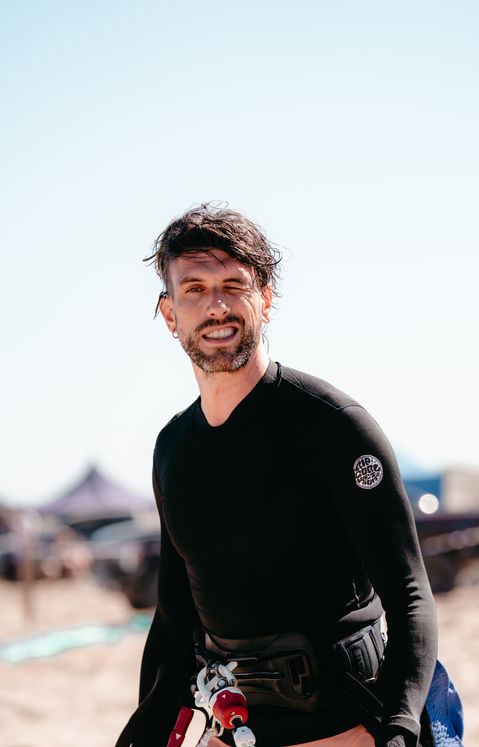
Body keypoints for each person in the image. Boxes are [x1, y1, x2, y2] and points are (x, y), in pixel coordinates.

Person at [118, 204, 438, 747]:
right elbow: (173, 620)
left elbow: (410, 597)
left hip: (346, 728)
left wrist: (400, 727)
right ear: (169, 313)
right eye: (194, 289)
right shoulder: (173, 449)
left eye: (233, 285)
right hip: (233, 729)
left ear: (265, 300)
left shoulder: (334, 426)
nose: (216, 306)